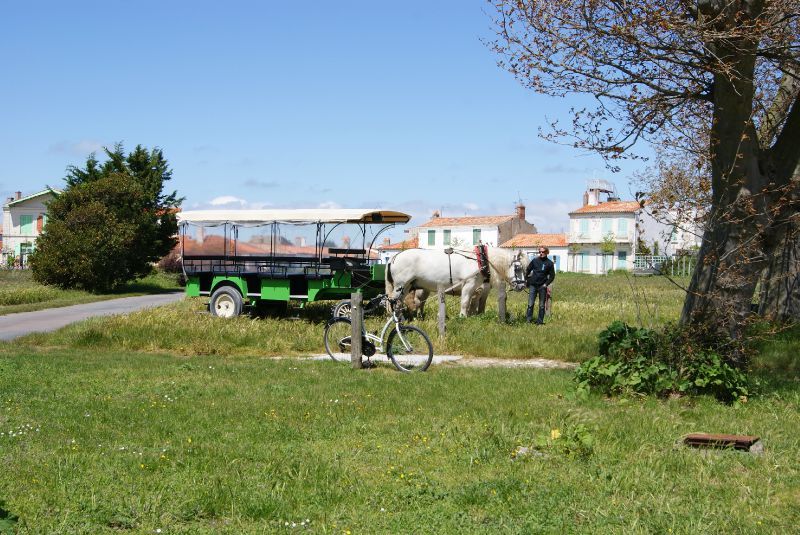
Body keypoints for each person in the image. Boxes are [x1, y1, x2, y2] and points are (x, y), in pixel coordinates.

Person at [525, 246, 555, 324]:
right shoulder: (534, 261)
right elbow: (528, 270)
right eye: (540, 252)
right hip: (533, 285)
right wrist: (526, 279)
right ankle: (528, 320)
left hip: (542, 286)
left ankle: (540, 321)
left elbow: (552, 276)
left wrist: (546, 284)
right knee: (530, 304)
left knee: (541, 305)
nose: (541, 253)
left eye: (543, 252)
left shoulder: (550, 263)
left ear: (547, 253)